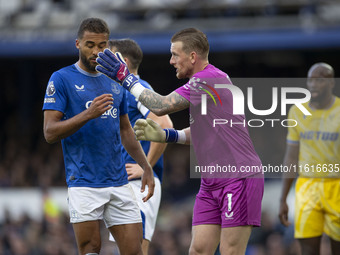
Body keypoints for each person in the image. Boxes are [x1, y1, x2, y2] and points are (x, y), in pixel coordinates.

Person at [96, 28, 264, 255]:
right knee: (198, 250)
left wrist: (126, 77)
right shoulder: (206, 84)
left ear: (192, 57)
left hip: (238, 177)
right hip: (211, 181)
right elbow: (201, 133)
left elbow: (161, 105)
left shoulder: (208, 79)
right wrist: (167, 136)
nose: (171, 60)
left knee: (230, 251)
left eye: (175, 54)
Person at [42, 18, 155, 255]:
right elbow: (50, 132)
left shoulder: (116, 79)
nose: (96, 51)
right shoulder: (61, 79)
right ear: (77, 44)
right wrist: (88, 114)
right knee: (91, 248)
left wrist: (146, 166)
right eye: (90, 45)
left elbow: (125, 130)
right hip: (84, 182)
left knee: (134, 251)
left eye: (102, 45)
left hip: (119, 181)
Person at [107, 38, 173, 255]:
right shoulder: (119, 92)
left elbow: (164, 124)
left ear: (123, 62)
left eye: (110, 56)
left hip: (140, 185)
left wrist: (146, 167)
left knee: (136, 250)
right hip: (124, 184)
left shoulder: (139, 90)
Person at [279, 63, 340, 255]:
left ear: (331, 83)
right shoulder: (297, 112)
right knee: (307, 248)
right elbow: (291, 157)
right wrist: (283, 198)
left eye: (319, 80)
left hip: (336, 185)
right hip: (307, 186)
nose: (313, 84)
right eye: (310, 80)